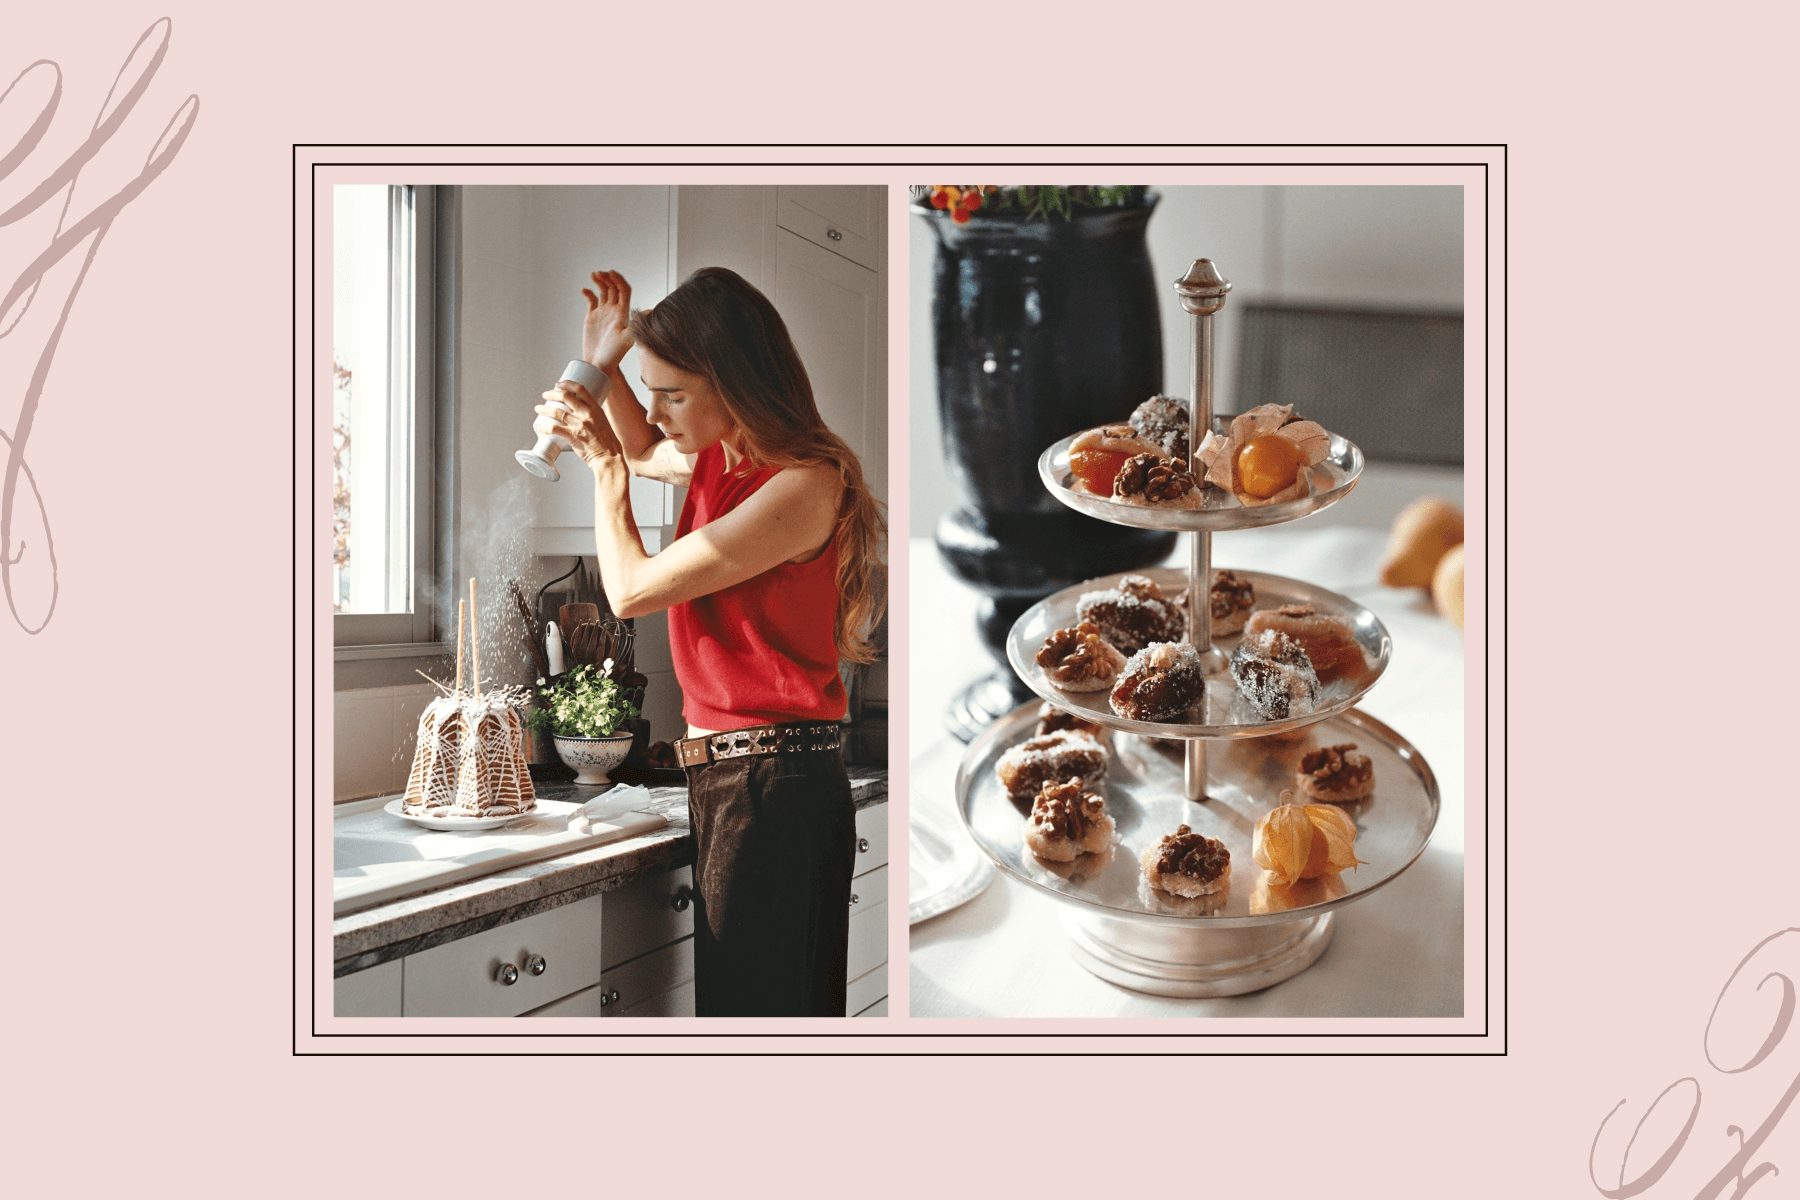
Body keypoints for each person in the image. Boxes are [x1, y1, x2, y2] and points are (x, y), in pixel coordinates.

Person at [536, 267, 884, 1017]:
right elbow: (638, 444)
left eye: (674, 394)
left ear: (736, 385)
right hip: (737, 783)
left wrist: (600, 468)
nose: (657, 412)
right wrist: (600, 361)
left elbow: (629, 589)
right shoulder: (723, 455)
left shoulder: (800, 484)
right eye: (651, 389)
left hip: (772, 788)